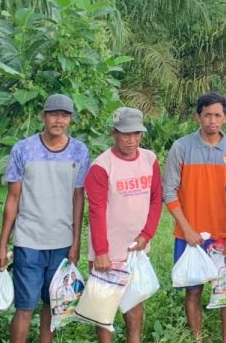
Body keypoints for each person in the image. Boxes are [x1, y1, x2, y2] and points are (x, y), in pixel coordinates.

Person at [0, 94, 91, 343]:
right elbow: (13, 199)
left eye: (65, 115)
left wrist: (76, 241)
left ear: (70, 120)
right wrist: (3, 244)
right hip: (29, 240)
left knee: (52, 303)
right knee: (25, 307)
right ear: (43, 117)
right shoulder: (24, 149)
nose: (59, 120)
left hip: (61, 241)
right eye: (53, 114)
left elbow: (78, 198)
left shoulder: (79, 152)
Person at [163, 93, 226, 343]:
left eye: (217, 115)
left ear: (225, 118)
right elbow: (169, 191)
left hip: (222, 234)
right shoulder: (182, 147)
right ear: (198, 116)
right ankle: (197, 339)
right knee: (193, 291)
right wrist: (187, 229)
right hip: (191, 236)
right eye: (207, 115)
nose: (212, 120)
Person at [85, 107, 162, 343]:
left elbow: (156, 199)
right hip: (107, 251)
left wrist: (146, 235)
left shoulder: (149, 160)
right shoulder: (102, 166)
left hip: (136, 251)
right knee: (104, 312)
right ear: (113, 133)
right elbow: (96, 211)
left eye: (136, 134)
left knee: (135, 310)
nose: (132, 140)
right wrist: (101, 252)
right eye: (126, 134)